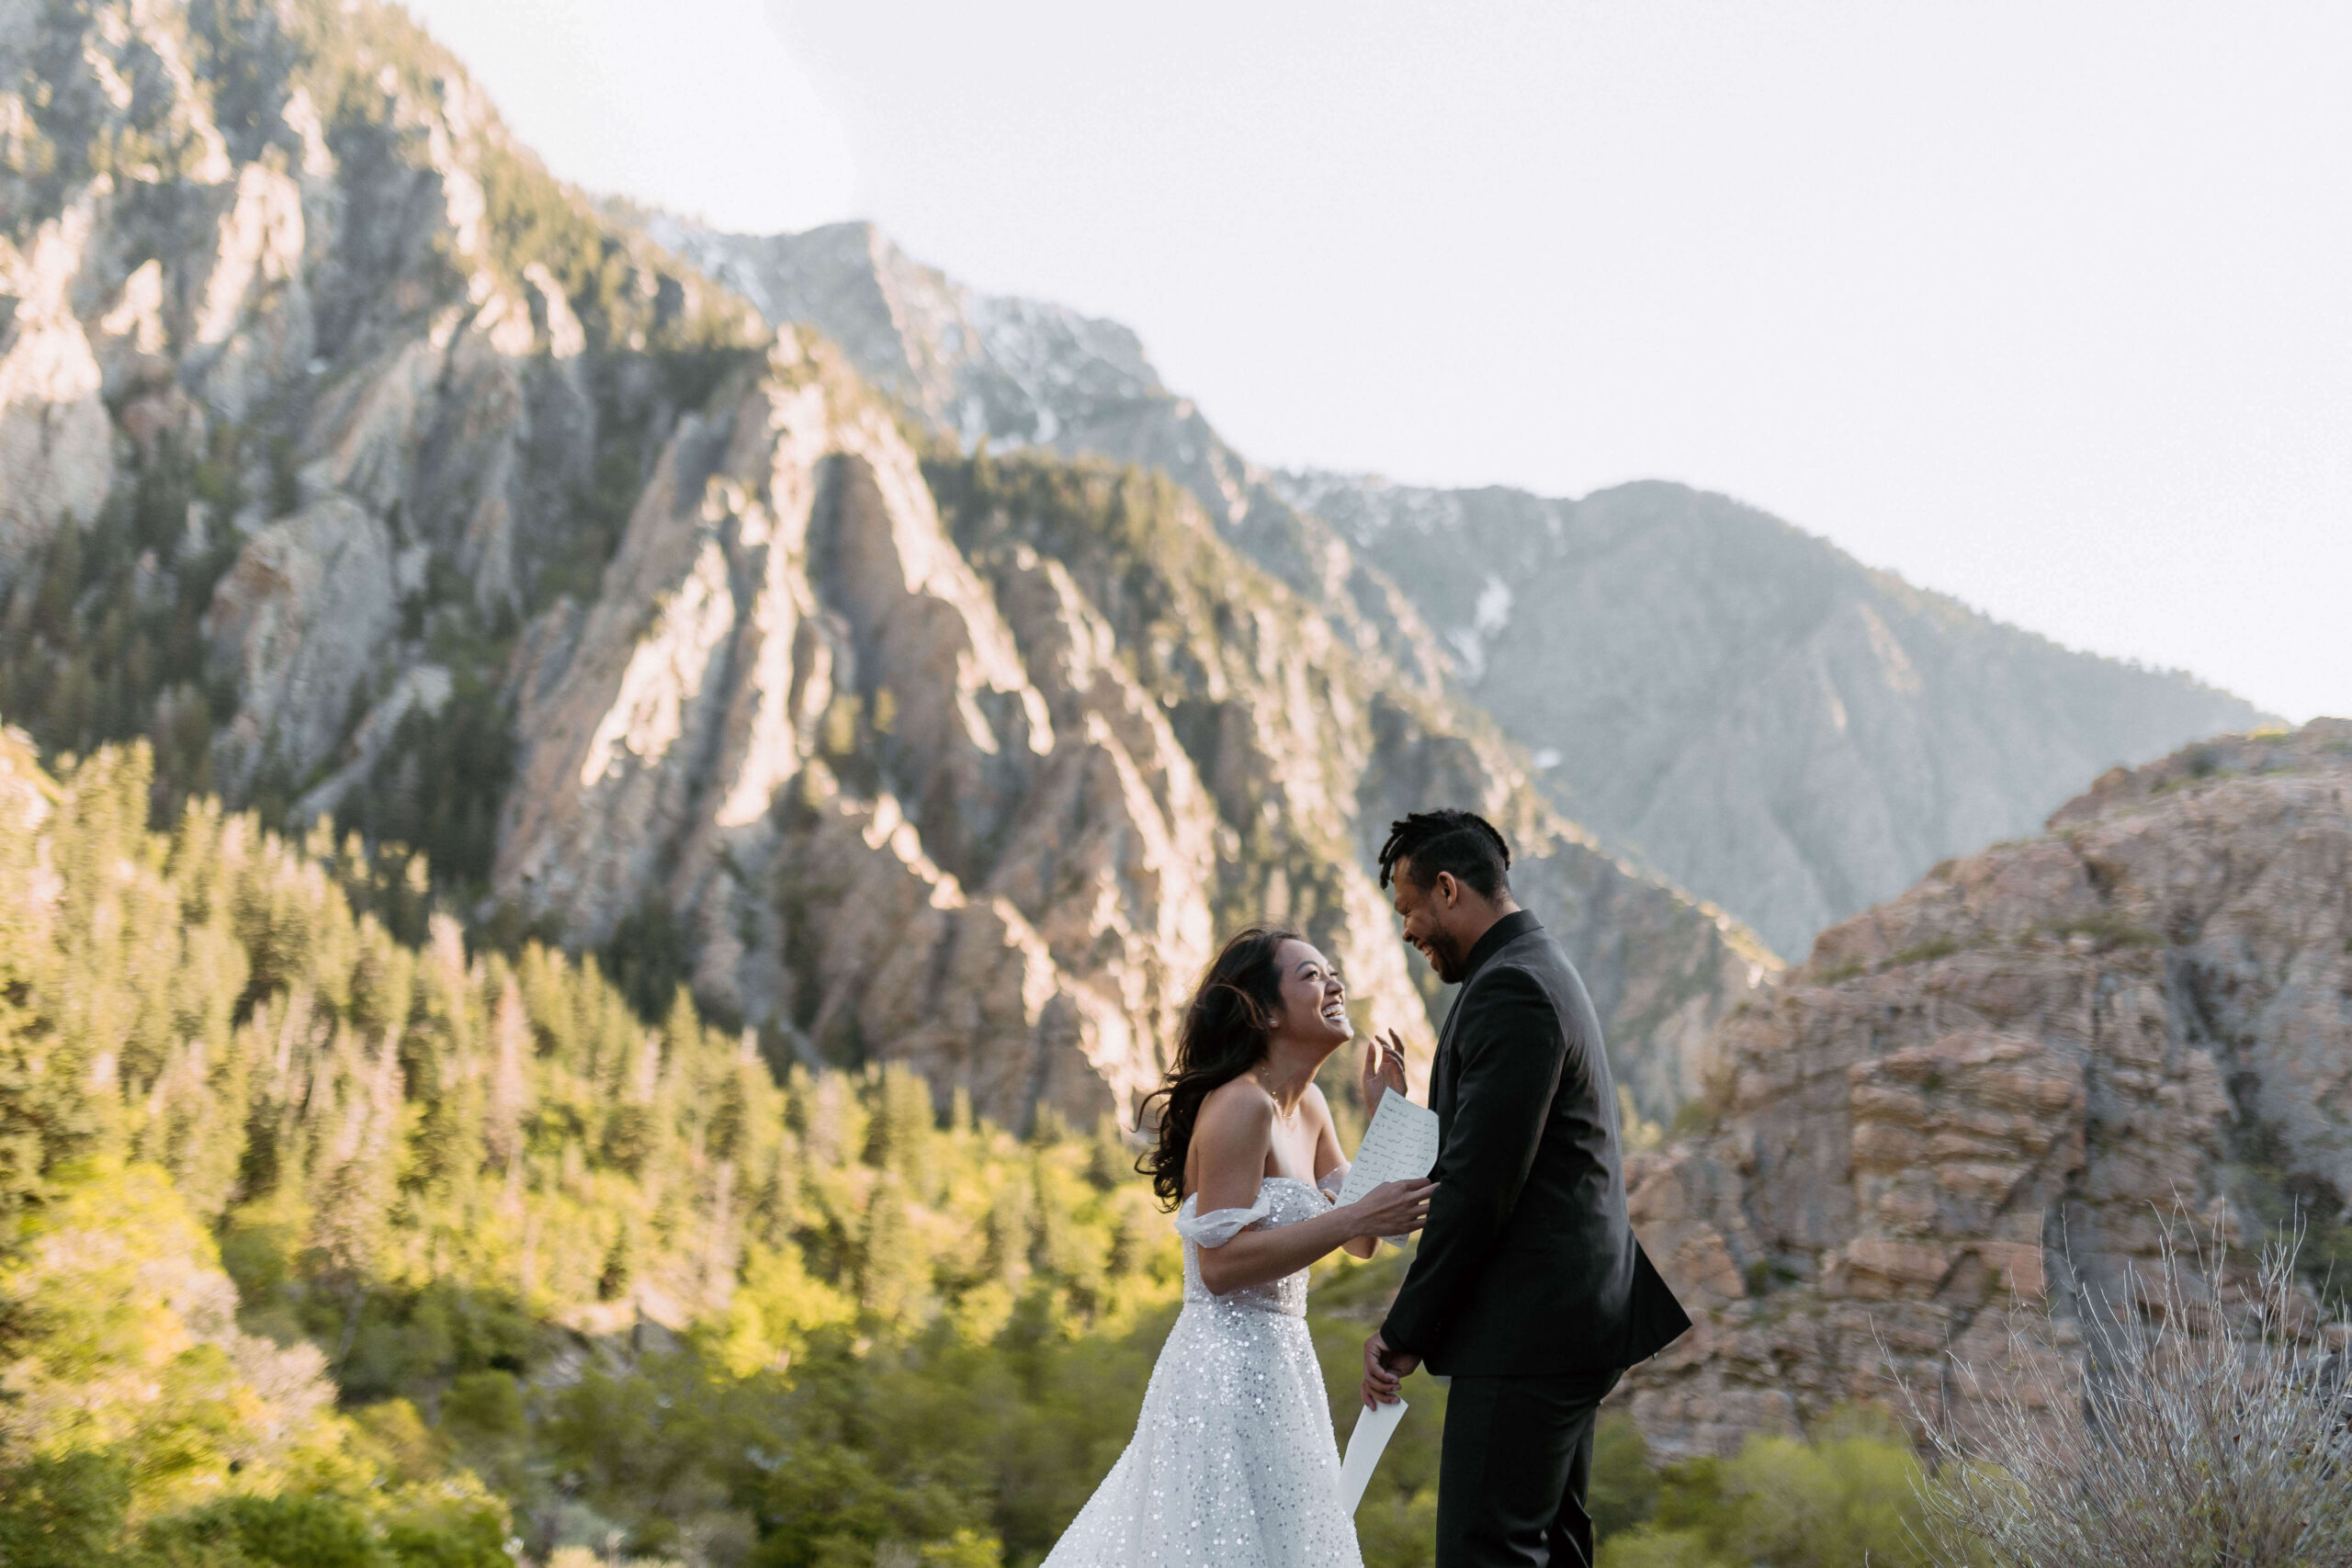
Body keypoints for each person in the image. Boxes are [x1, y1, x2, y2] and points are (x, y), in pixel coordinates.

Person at [1040, 925, 1437, 1568]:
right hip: (1220, 1375)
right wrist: (1357, 1212)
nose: (1334, 982)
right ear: (1265, 1009)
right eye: (1311, 974)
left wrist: (1384, 1114)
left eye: (1332, 970)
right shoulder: (1239, 1105)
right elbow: (1220, 1266)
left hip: (1286, 1370)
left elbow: (1368, 1236)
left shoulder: (1309, 1111)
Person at [1360, 809, 1690, 1568]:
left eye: (1410, 907)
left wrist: (1405, 1329)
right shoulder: (1532, 969)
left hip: (1530, 1330)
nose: (1409, 929)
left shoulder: (1513, 990)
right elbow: (1490, 1148)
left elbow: (1481, 1189)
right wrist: (1396, 1118)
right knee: (1551, 1548)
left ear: (1448, 888)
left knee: (1489, 1553)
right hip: (1565, 1322)